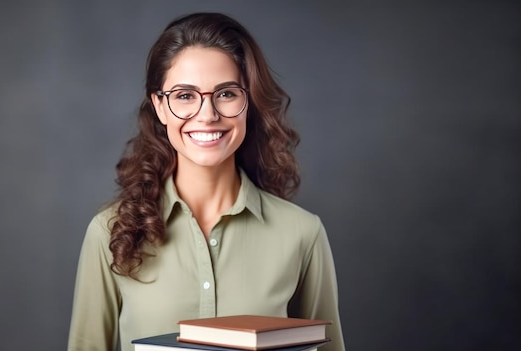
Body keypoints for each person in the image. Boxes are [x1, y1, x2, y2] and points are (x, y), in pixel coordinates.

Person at [68, 12, 345, 351]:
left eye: (226, 93)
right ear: (160, 106)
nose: (208, 114)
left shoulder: (303, 234)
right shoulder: (108, 232)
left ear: (249, 103)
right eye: (185, 95)